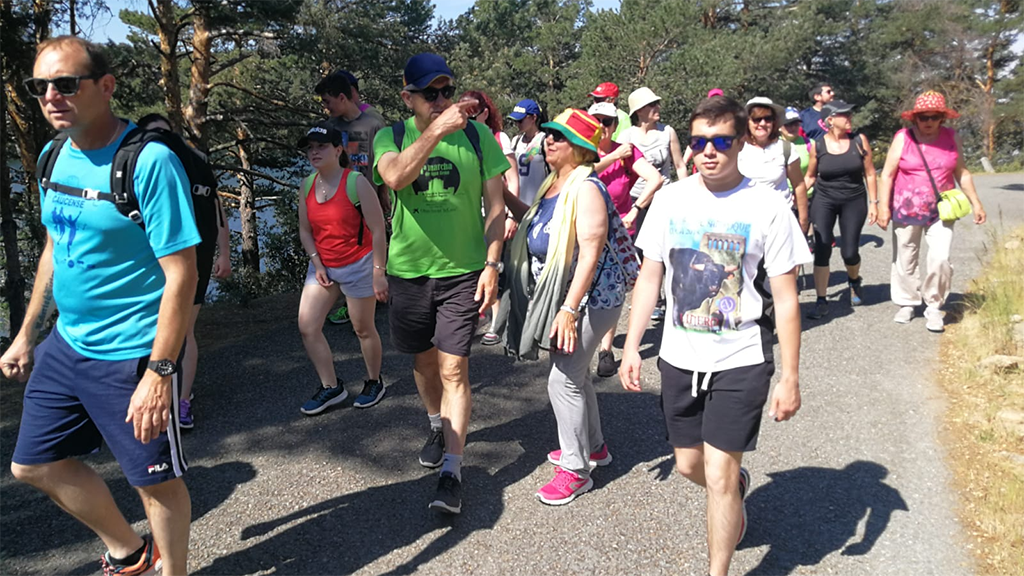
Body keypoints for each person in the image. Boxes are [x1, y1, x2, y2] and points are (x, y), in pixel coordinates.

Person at [2, 36, 198, 576]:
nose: (50, 96)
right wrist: (26, 333)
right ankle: (129, 550)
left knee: (154, 481)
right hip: (67, 343)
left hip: (132, 351)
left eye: (66, 84)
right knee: (32, 464)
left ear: (106, 87)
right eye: (38, 86)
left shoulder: (149, 162)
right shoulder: (51, 156)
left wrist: (160, 372)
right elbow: (54, 248)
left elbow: (182, 275)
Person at [618, 95, 809, 576]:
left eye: (721, 141)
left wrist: (790, 376)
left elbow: (785, 298)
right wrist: (630, 344)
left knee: (720, 475)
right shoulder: (670, 200)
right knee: (688, 466)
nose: (708, 151)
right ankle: (735, 487)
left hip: (741, 355)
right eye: (699, 141)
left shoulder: (767, 207)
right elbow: (650, 276)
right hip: (679, 356)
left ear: (740, 143)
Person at [373, 53, 508, 514]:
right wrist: (435, 131)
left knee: (454, 370)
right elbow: (394, 176)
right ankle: (436, 423)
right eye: (429, 93)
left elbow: (495, 209)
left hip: (463, 271)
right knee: (424, 362)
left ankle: (453, 468)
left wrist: (493, 264)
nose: (440, 100)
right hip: (409, 271)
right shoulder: (389, 136)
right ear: (408, 97)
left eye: (446, 91)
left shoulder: (478, 135)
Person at [500, 108, 631, 505]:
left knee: (563, 377)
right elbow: (534, 227)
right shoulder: (554, 185)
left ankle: (575, 470)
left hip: (593, 299)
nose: (549, 140)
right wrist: (499, 192)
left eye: (559, 136)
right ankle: (594, 448)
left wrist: (569, 310)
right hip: (570, 296)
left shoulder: (586, 188)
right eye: (549, 134)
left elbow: (590, 252)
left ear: (580, 150)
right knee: (577, 375)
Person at [138, 113, 232, 430]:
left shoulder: (146, 160)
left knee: (164, 330)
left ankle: (173, 400)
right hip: (198, 255)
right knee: (183, 331)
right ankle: (181, 401)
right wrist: (225, 254)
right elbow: (219, 214)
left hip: (159, 259)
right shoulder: (197, 159)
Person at [296, 122, 389, 414]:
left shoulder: (355, 183)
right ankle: (331, 387)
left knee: (363, 329)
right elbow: (305, 229)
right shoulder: (308, 185)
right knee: (308, 326)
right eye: (310, 148)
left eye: (321, 146)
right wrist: (317, 263)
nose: (314, 152)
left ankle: (374, 381)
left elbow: (378, 229)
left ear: (338, 150)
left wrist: (378, 272)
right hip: (323, 265)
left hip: (359, 265)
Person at [877, 91, 987, 332]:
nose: (928, 122)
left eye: (934, 117)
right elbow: (887, 174)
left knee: (940, 258)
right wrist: (883, 207)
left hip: (941, 210)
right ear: (914, 119)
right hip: (906, 208)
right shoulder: (903, 137)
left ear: (942, 118)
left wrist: (976, 203)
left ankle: (934, 306)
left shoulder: (951, 137)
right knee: (905, 257)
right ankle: (907, 302)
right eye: (923, 117)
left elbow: (962, 173)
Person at [588, 101, 663, 378]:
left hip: (618, 232)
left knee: (612, 291)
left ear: (614, 125)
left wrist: (635, 208)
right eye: (596, 120)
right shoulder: (582, 150)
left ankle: (605, 349)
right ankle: (581, 340)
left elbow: (655, 178)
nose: (601, 127)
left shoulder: (627, 151)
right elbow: (581, 174)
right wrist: (612, 157)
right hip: (585, 229)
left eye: (606, 122)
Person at [315, 70, 388, 326]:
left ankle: (370, 301)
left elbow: (382, 166)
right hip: (337, 204)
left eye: (328, 101)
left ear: (343, 97)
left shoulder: (373, 125)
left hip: (366, 198)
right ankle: (353, 304)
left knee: (372, 247)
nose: (326, 107)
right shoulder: (329, 128)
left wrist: (384, 197)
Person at [803, 101, 879, 319]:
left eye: (849, 114)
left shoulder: (859, 141)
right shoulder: (818, 146)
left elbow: (871, 174)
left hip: (853, 200)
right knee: (822, 247)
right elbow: (810, 176)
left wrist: (874, 203)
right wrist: (794, 198)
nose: (849, 118)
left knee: (849, 251)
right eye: (843, 115)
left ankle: (854, 280)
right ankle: (821, 299)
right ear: (830, 120)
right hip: (824, 200)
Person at [618, 87, 687, 320]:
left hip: (665, 199)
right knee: (640, 250)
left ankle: (673, 298)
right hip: (636, 201)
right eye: (651, 105)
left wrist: (687, 195)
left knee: (668, 249)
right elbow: (618, 170)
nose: (657, 108)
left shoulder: (667, 132)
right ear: (638, 111)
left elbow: (679, 165)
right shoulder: (627, 136)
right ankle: (653, 299)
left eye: (657, 103)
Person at [460, 90, 520, 346]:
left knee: (495, 267)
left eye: (473, 112)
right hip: (473, 215)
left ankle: (497, 323)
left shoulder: (498, 137)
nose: (468, 117)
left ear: (485, 112)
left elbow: (513, 179)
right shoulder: (458, 138)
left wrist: (509, 217)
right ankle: (478, 315)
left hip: (496, 214)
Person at [737, 97, 809, 234]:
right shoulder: (737, 149)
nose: (762, 124)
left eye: (767, 118)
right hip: (745, 225)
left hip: (780, 222)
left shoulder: (786, 149)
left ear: (774, 122)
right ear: (748, 122)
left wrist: (803, 221)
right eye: (757, 119)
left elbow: (799, 185)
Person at [508, 98, 549, 207]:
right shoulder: (515, 141)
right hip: (518, 206)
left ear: (533, 118)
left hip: (538, 206)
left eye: (520, 120)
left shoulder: (544, 141)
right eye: (515, 121)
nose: (517, 124)